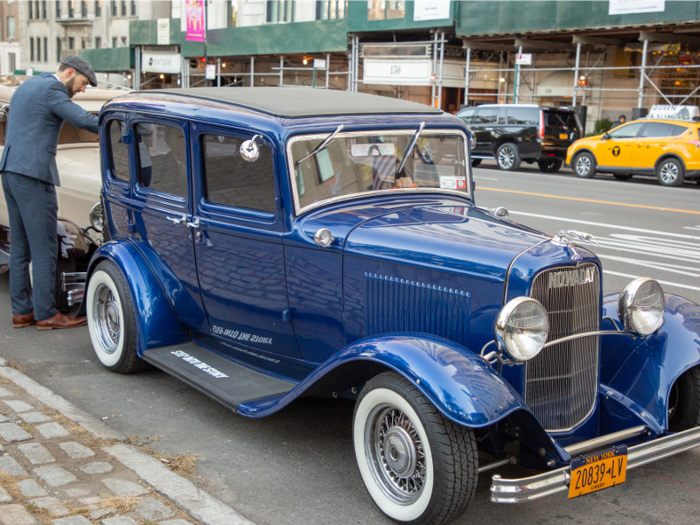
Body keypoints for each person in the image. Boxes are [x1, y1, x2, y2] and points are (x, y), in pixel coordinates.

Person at [1, 56, 99, 330]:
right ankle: (47, 314)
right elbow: (79, 118)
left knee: (20, 246)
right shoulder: (53, 89)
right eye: (82, 82)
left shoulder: (29, 86)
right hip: (33, 175)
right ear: (70, 72)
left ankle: (22, 312)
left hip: (10, 171)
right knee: (45, 247)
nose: (83, 89)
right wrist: (113, 123)